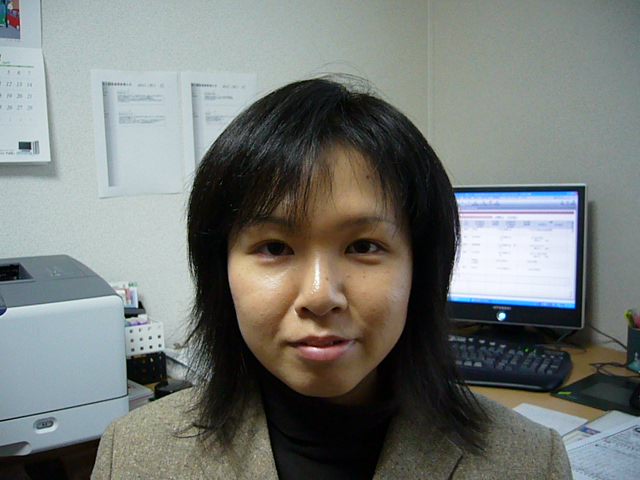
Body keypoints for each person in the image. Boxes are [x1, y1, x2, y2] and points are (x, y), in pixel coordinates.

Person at [92, 77, 571, 479]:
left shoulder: (531, 462)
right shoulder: (132, 456)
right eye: (274, 248)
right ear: (221, 274)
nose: (320, 296)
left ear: (421, 268)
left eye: (363, 246)